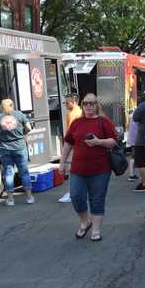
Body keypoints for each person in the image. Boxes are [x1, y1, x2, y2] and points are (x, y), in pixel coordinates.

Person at [59, 93, 117, 241]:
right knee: (76, 196)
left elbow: (114, 142)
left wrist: (99, 142)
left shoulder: (104, 122)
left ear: (97, 105)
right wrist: (62, 162)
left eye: (92, 103)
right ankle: (86, 222)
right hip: (78, 169)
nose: (89, 106)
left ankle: (96, 230)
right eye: (85, 103)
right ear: (82, 105)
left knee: (97, 199)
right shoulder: (77, 123)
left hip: (100, 169)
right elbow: (68, 144)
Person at [0, 99, 35, 206]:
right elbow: (29, 128)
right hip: (20, 147)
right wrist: (21, 134)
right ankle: (29, 197)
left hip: (5, 148)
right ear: (12, 105)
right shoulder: (19, 115)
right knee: (24, 172)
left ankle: (11, 200)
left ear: (2, 107)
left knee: (8, 173)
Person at [58, 93, 82, 203]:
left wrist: (67, 144)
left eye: (67, 102)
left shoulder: (73, 114)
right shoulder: (78, 111)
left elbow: (71, 132)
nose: (66, 105)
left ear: (74, 101)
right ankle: (76, 192)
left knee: (71, 169)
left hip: (73, 144)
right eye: (65, 102)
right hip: (77, 144)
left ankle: (72, 193)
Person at [126, 110, 139, 181]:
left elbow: (127, 126)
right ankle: (131, 174)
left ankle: (132, 174)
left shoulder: (131, 115)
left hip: (132, 137)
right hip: (137, 137)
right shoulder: (140, 115)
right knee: (134, 156)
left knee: (133, 155)